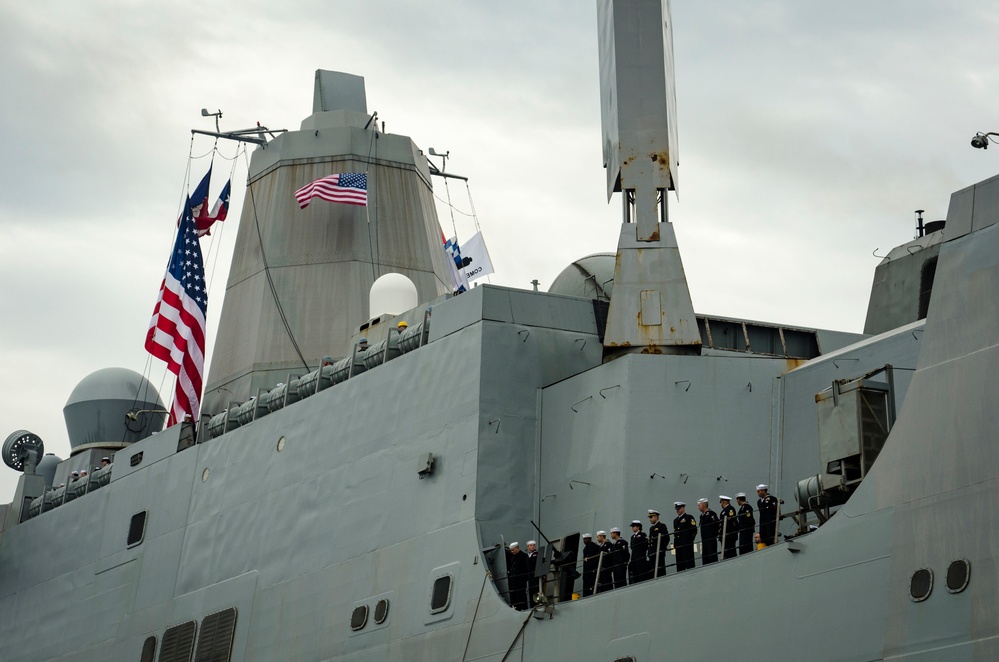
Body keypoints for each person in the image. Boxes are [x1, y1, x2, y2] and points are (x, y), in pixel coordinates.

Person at [672, 502, 698, 571]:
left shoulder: (688, 518)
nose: (677, 511)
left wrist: (689, 541)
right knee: (680, 566)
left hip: (686, 545)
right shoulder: (675, 520)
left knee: (689, 565)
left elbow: (694, 530)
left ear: (683, 508)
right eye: (676, 509)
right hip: (678, 546)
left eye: (679, 509)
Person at [647, 509, 670, 579]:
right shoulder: (651, 528)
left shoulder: (661, 526)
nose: (650, 519)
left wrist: (661, 549)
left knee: (660, 570)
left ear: (656, 517)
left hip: (659, 552)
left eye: (651, 517)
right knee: (652, 571)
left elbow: (666, 538)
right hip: (652, 553)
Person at [506, 542, 529, 609]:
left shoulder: (523, 556)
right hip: (514, 582)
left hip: (521, 581)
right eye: (511, 550)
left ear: (517, 548)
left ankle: (523, 608)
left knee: (521, 597)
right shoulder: (513, 557)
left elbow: (526, 568)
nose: (512, 551)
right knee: (515, 598)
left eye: (513, 550)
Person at [697, 498, 720, 565]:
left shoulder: (711, 514)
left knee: (712, 558)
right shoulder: (702, 516)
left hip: (711, 540)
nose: (698, 507)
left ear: (703, 505)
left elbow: (717, 525)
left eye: (699, 505)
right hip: (704, 540)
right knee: (705, 559)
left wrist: (713, 535)